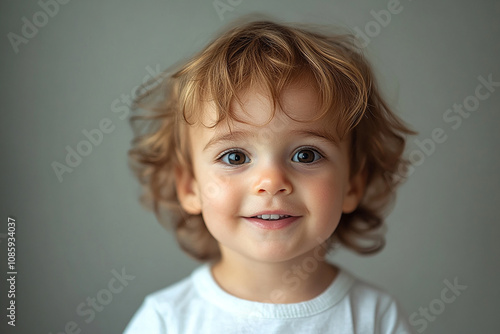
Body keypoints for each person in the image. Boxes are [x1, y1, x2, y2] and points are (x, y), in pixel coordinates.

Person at [123, 18, 416, 334]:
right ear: (189, 186)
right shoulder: (166, 320)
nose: (272, 181)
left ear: (352, 185)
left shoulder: (375, 318)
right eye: (235, 157)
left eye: (306, 155)